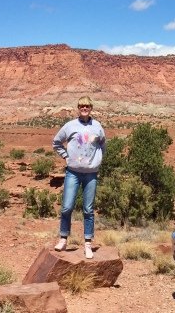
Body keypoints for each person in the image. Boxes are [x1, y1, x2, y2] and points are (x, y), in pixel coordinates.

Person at [52, 95, 106, 259]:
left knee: (88, 210)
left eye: (87, 106)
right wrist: (66, 157)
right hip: (73, 172)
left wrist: (97, 161)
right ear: (78, 108)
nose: (84, 108)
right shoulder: (70, 126)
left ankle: (88, 244)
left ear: (91, 108)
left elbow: (102, 145)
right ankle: (63, 238)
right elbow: (56, 142)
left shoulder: (97, 126)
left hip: (91, 174)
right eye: (81, 106)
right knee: (67, 207)